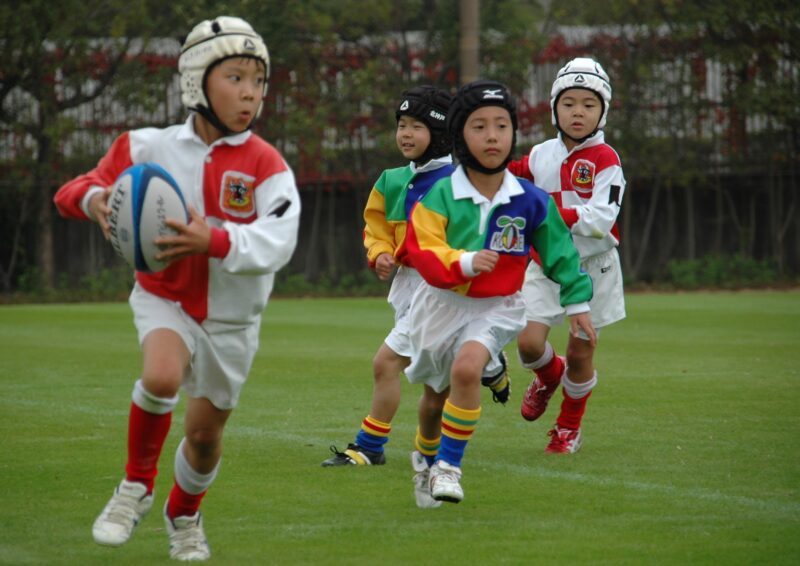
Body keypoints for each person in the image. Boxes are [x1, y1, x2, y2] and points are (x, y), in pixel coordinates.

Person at [53, 16, 300, 561]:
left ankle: (183, 514)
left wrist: (209, 239)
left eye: (258, 82)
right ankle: (134, 487)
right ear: (196, 80)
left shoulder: (268, 166)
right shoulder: (145, 147)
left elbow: (277, 242)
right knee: (160, 375)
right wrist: (98, 202)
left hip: (233, 322)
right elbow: (74, 190)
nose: (250, 93)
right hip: (164, 296)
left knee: (206, 439)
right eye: (236, 77)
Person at [404, 80, 596, 504]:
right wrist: (465, 262)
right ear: (459, 136)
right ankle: (426, 459)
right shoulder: (441, 194)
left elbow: (560, 252)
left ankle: (449, 469)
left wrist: (578, 301)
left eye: (502, 126)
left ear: (513, 133)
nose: (492, 136)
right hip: (440, 306)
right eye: (479, 126)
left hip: (497, 307)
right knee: (434, 400)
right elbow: (423, 249)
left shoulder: (529, 200)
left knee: (469, 369)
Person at [320, 87, 460, 487]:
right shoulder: (391, 180)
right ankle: (437, 454)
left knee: (387, 363)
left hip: (440, 293)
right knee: (438, 385)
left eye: (417, 126)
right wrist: (380, 252)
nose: (406, 134)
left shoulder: (459, 182)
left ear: (442, 132)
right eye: (401, 125)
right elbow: (375, 228)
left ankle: (370, 446)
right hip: (408, 290)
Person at [507, 57, 626, 454]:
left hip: (595, 268)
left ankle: (568, 428)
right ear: (554, 107)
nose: (578, 111)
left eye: (589, 104)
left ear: (603, 111)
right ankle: (547, 374)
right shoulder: (541, 154)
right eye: (569, 102)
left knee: (580, 352)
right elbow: (510, 175)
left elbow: (602, 218)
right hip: (546, 263)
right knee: (527, 343)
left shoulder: (607, 160)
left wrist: (549, 211)